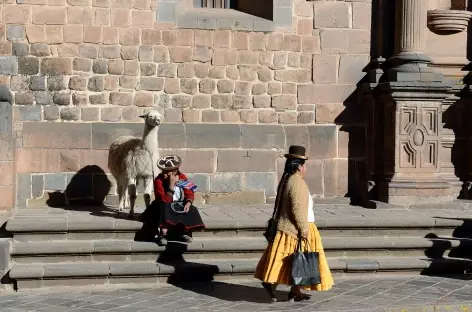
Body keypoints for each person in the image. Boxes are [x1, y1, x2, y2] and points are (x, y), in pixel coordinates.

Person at [254, 145, 334, 302]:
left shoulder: (287, 180)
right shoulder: (297, 182)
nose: (306, 169)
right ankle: (272, 284)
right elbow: (298, 209)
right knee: (292, 260)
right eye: (304, 165)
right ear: (298, 166)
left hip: (288, 227)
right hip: (296, 228)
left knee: (294, 261)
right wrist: (304, 229)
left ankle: (295, 290)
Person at [152, 155, 205, 245]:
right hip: (163, 204)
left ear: (175, 171)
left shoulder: (182, 177)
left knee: (192, 209)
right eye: (163, 172)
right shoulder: (159, 180)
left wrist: (188, 203)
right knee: (166, 208)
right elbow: (164, 199)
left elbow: (189, 192)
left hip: (178, 203)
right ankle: (163, 234)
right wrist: (171, 186)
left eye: (167, 172)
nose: (164, 174)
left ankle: (185, 232)